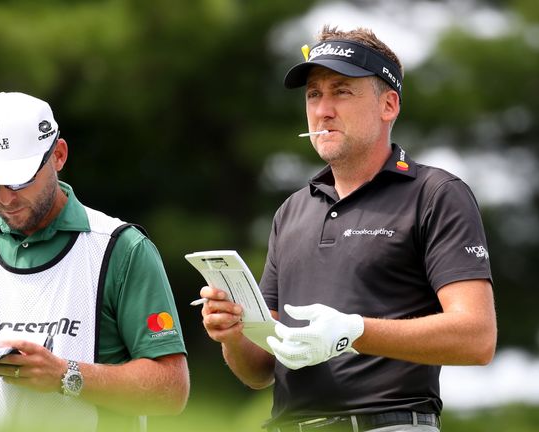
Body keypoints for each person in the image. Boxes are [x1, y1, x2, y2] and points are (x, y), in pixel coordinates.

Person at [199, 26, 497, 432]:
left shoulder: (436, 194)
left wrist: (353, 331)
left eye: (341, 91)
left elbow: (476, 338)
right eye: (313, 95)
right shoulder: (292, 211)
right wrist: (233, 335)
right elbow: (261, 371)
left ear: (388, 104)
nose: (323, 109)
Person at [0, 91, 189, 431]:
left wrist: (67, 375)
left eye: (19, 178)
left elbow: (171, 390)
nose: (5, 198)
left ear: (59, 155)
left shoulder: (122, 249)